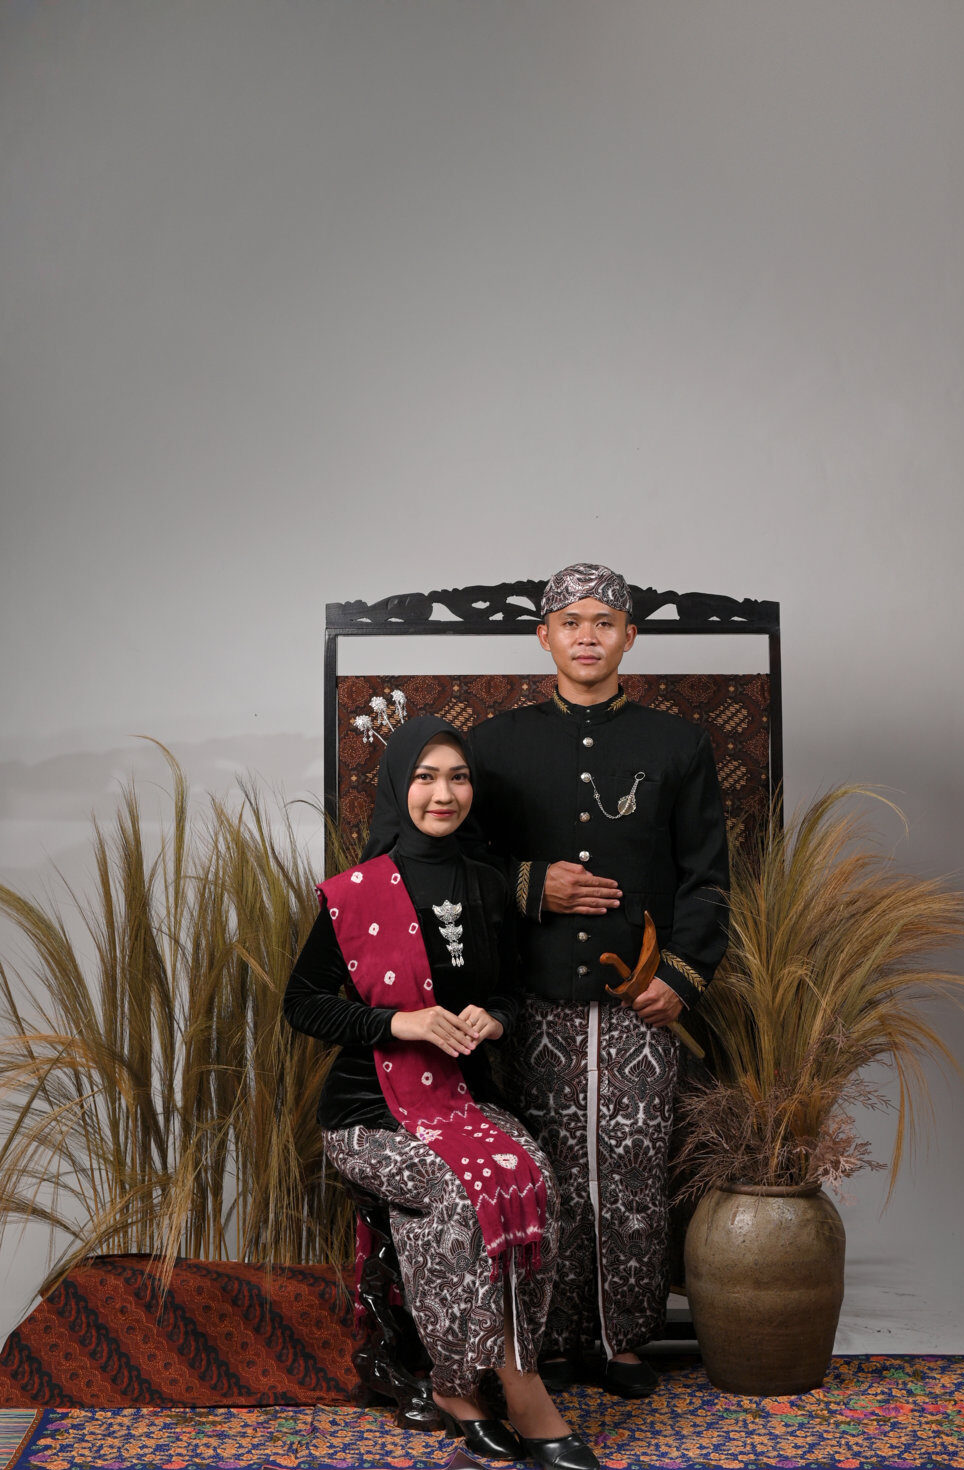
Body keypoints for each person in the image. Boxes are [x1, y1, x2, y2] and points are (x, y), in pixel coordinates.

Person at [283, 715, 600, 1470]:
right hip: (368, 1114)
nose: (443, 793)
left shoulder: (487, 885)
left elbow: (510, 992)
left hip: (458, 1102)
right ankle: (473, 1387)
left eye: (458, 777)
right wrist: (401, 1022)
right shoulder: (355, 894)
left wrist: (495, 1018)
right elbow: (302, 1004)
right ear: (400, 785)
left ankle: (502, 1370)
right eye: (426, 777)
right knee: (460, 1194)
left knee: (533, 1178)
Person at [468, 564, 730, 1399]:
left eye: (605, 622)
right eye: (571, 621)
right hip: (528, 997)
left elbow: (708, 878)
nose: (587, 635)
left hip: (639, 1001)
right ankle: (542, 1342)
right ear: (542, 636)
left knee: (634, 1171)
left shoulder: (677, 744)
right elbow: (453, 864)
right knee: (539, 1170)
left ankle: (623, 1339)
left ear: (630, 638)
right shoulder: (493, 746)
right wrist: (529, 884)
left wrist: (682, 978)